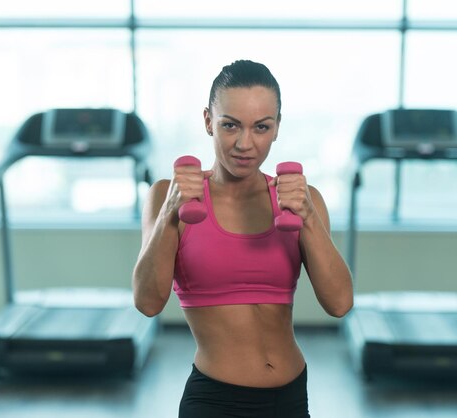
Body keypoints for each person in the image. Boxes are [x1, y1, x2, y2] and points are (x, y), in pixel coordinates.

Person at [132, 59, 353, 418]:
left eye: (261, 127)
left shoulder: (300, 199)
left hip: (292, 398)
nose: (244, 144)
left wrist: (309, 216)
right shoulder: (168, 195)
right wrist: (169, 213)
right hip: (215, 401)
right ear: (208, 121)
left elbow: (340, 303)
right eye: (230, 126)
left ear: (277, 127)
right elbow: (147, 303)